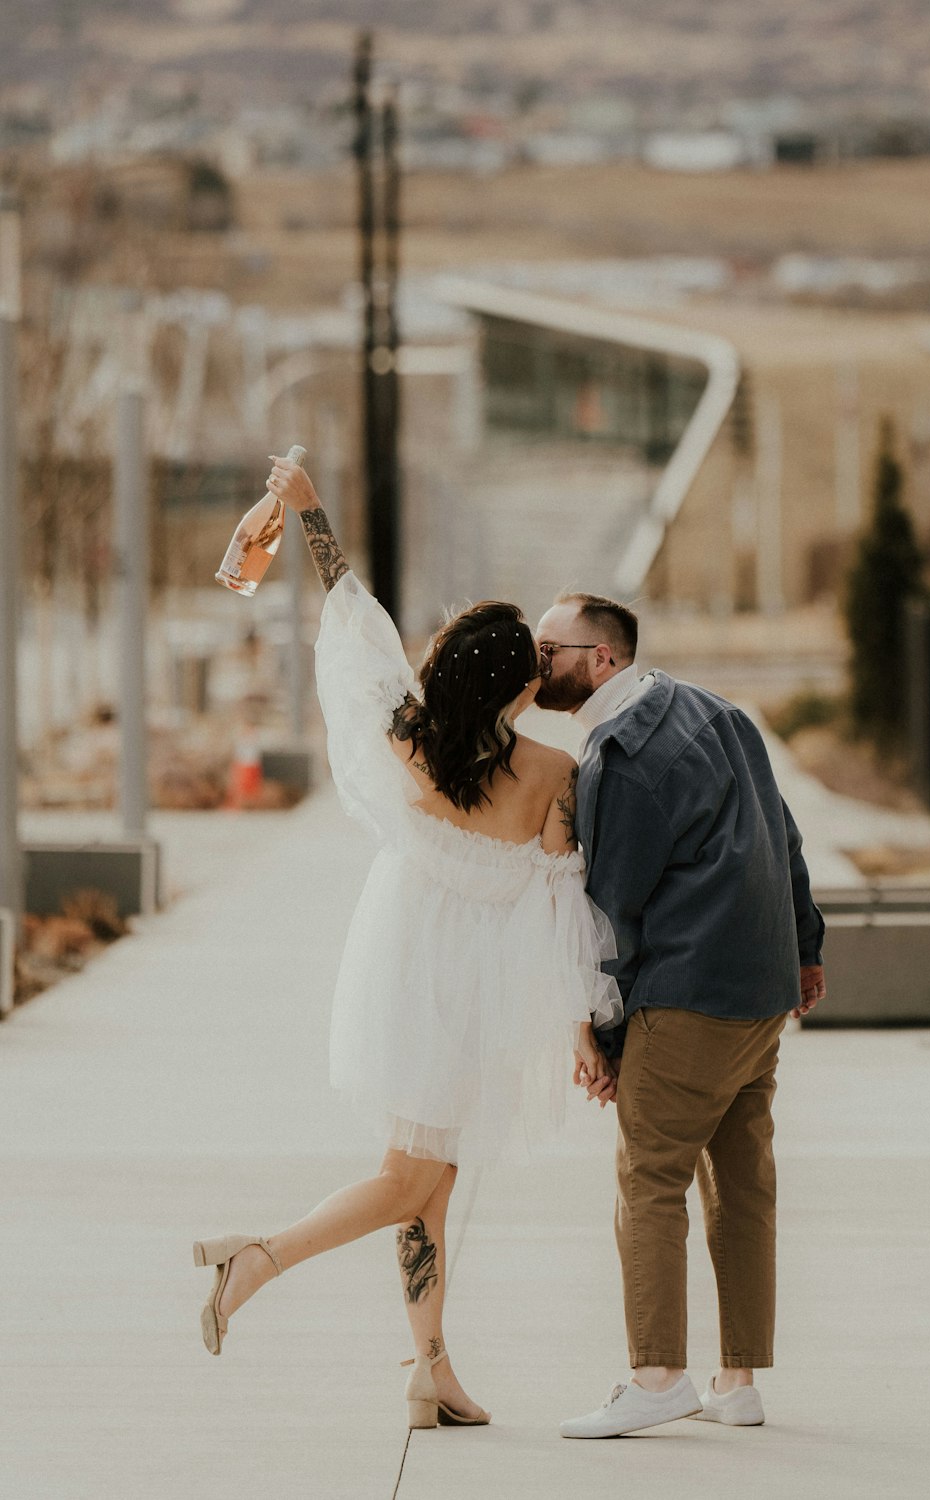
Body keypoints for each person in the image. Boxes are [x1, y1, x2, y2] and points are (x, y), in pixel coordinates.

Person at [193, 461, 621, 1431]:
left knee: (428, 1175)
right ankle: (255, 1257)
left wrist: (309, 514)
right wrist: (582, 1024)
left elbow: (353, 617)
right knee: (408, 1176)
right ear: (522, 683)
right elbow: (565, 909)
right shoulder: (552, 772)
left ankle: (431, 1368)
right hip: (470, 985)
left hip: (396, 963)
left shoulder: (405, 732)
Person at [533, 591, 826, 1438]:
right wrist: (805, 950)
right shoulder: (713, 709)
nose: (533, 660)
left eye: (548, 647)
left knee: (649, 1177)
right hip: (759, 988)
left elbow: (610, 914)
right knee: (742, 1182)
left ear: (601, 660)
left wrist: (604, 1038)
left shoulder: (618, 762)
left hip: (689, 993)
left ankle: (658, 1375)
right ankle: (737, 1382)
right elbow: (785, 833)